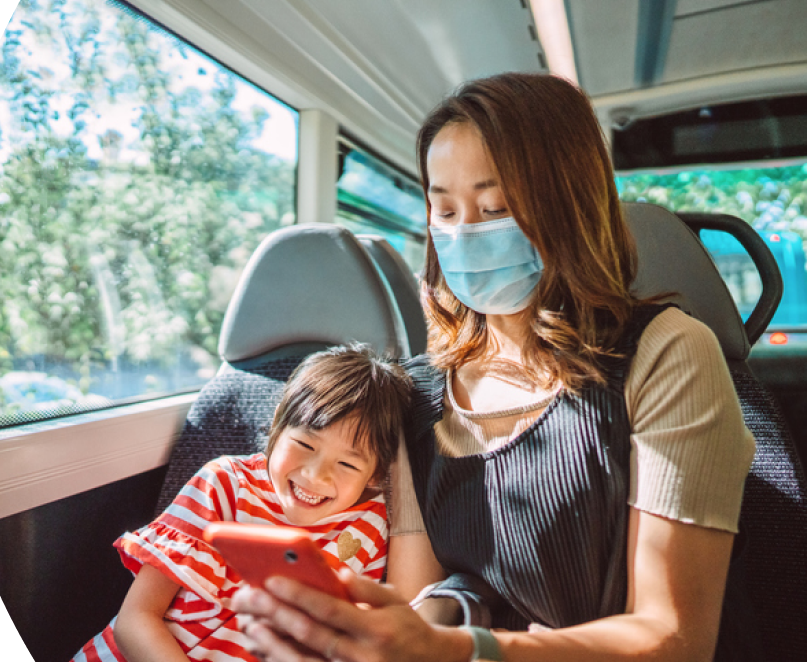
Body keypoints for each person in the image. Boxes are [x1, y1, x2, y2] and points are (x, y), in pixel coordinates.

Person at [229, 73, 759, 661]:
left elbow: (674, 639)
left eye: (496, 207)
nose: (465, 234)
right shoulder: (420, 391)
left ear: (570, 206)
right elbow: (420, 600)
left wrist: (464, 651)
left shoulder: (668, 354)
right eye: (444, 209)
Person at [72, 343, 413, 662]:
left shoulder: (370, 527)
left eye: (347, 464)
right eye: (305, 445)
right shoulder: (224, 485)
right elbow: (135, 620)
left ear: (375, 473)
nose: (315, 475)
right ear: (279, 425)